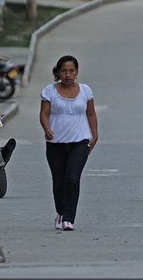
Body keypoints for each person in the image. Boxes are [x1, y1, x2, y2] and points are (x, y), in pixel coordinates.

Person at [39, 55, 98, 231]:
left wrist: (95, 135)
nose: (67, 74)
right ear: (58, 72)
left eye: (71, 70)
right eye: (64, 71)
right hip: (56, 143)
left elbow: (91, 114)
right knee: (59, 181)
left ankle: (69, 218)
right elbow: (43, 113)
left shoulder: (86, 90)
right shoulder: (49, 91)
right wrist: (47, 128)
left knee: (72, 178)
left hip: (80, 142)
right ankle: (60, 212)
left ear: (77, 72)